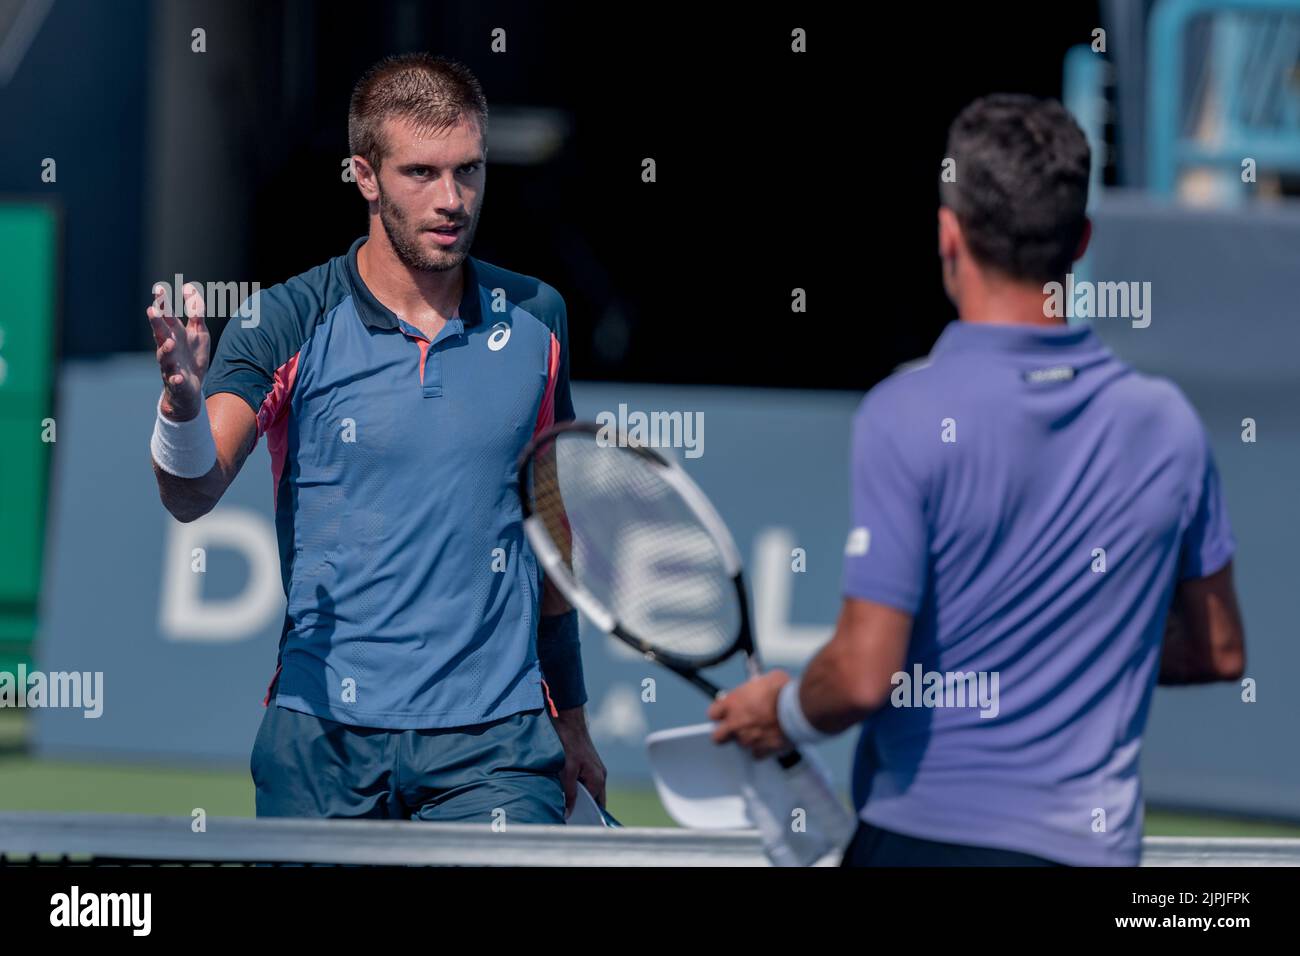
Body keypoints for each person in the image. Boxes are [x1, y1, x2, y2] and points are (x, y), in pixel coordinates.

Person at [709, 94, 1245, 866]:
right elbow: (1219, 650)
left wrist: (782, 711)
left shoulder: (906, 410)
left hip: (926, 843)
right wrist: (1077, 654)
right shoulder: (1167, 423)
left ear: (948, 233)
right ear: (1082, 240)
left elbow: (863, 676)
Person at [145, 53, 605, 823]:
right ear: (364, 176)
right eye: (421, 173)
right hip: (319, 742)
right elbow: (193, 490)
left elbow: (551, 526)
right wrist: (183, 410)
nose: (452, 199)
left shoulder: (538, 318)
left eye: (469, 171)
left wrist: (573, 717)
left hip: (496, 748)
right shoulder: (283, 319)